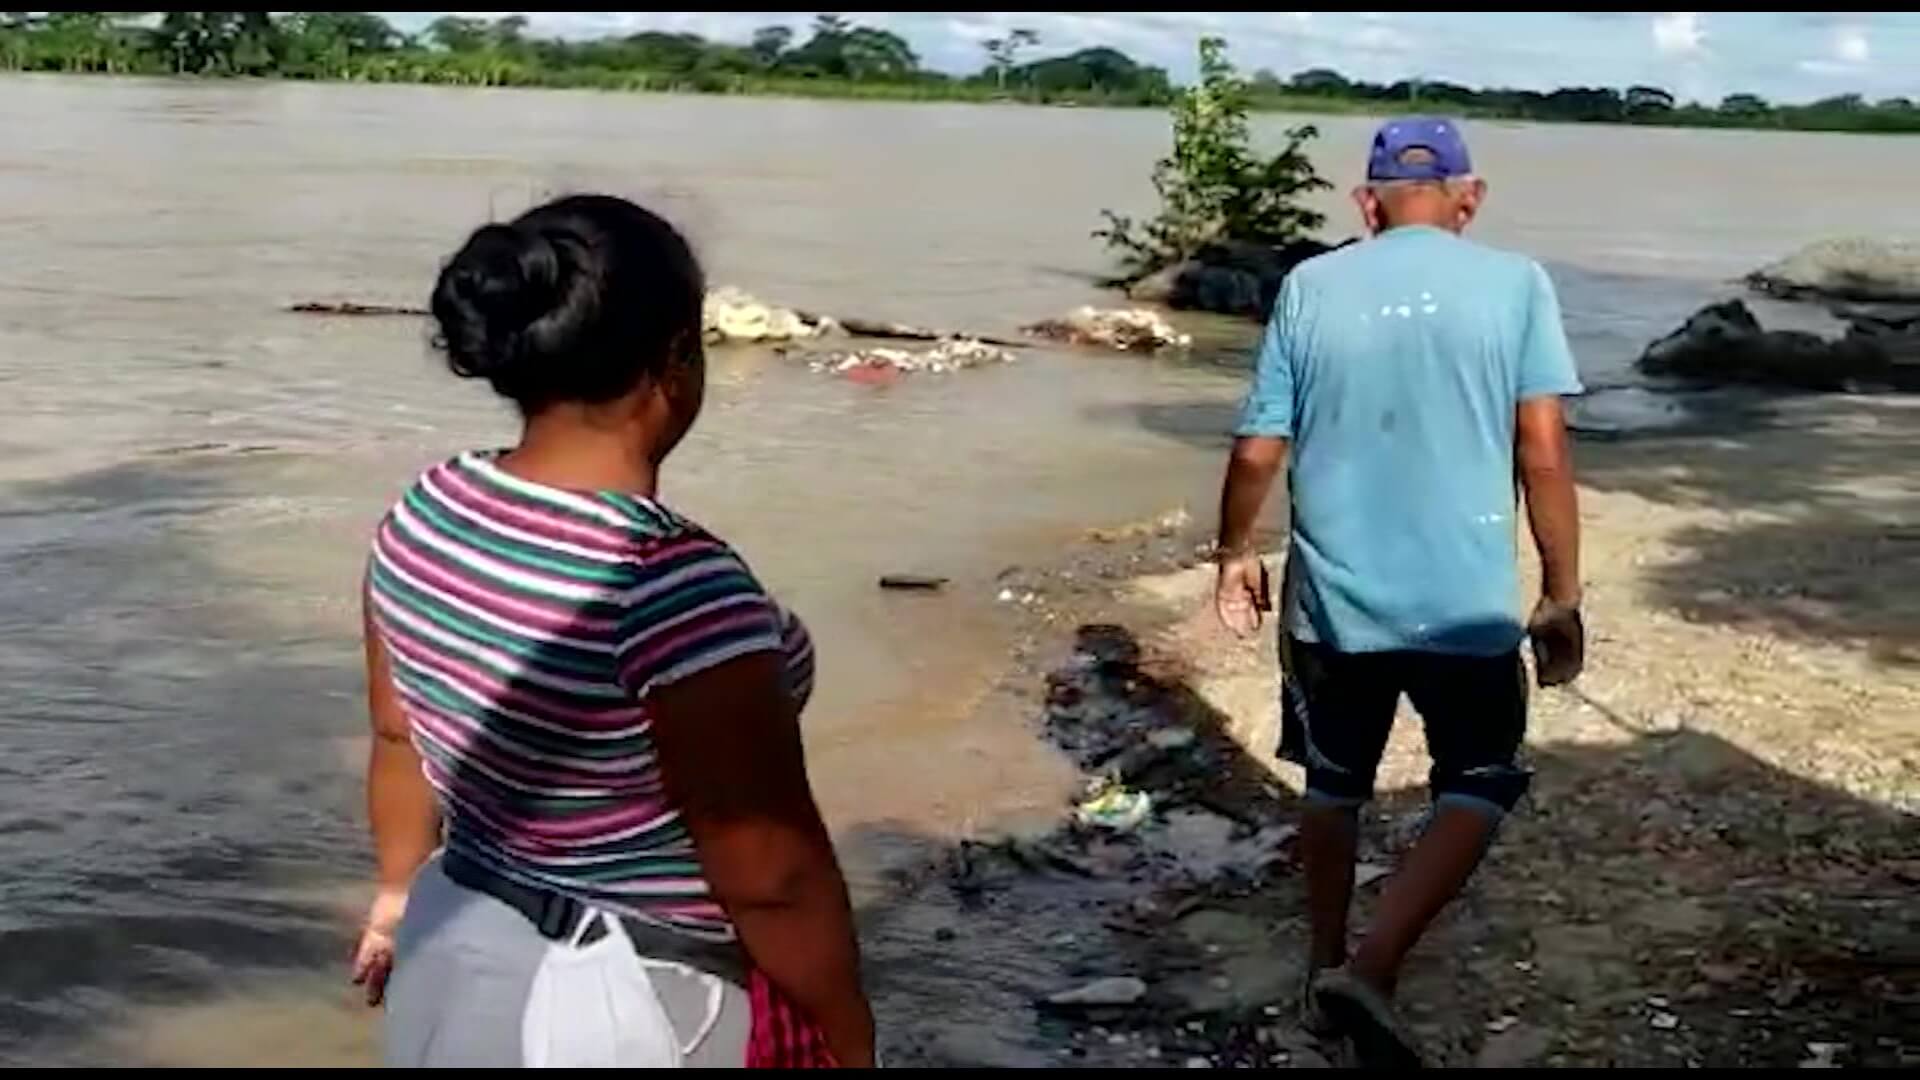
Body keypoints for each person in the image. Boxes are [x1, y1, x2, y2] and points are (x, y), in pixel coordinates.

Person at [348, 194, 874, 1068]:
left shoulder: (427, 507)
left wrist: (397, 897)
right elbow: (771, 876)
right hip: (631, 1000)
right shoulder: (671, 585)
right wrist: (851, 1037)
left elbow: (398, 732)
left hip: (457, 940)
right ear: (677, 359)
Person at [1212, 117, 1585, 1067]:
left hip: (1334, 606)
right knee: (1481, 779)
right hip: (1464, 601)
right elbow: (1541, 447)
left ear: (1364, 203)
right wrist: (1561, 592)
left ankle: (1323, 968)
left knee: (1334, 786)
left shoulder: (1308, 284)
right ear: (1470, 195)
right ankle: (1372, 971)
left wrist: (1231, 553)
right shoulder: (1516, 285)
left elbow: (1258, 446)